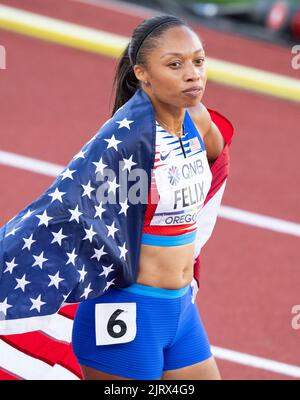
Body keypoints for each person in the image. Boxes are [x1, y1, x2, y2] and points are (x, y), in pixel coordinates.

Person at [71, 14, 234, 380]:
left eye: (198, 60)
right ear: (142, 73)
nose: (193, 74)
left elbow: (216, 158)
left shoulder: (199, 119)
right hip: (126, 312)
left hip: (179, 312)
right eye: (175, 64)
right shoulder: (127, 144)